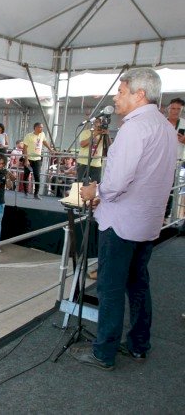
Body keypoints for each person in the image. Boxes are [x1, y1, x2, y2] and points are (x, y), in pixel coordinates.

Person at [74, 68, 178, 371]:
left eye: (121, 91)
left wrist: (96, 189)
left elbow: (117, 183)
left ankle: (103, 352)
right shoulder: (164, 127)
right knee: (138, 284)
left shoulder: (134, 128)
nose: (116, 98)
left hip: (121, 223)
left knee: (110, 288)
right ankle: (138, 344)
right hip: (146, 223)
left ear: (139, 94)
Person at [22, 122, 56, 199]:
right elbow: (25, 148)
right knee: (26, 176)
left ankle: (36, 194)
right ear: (35, 128)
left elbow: (44, 141)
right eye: (40, 127)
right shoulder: (28, 136)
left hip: (37, 159)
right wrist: (26, 160)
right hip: (29, 159)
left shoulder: (42, 134)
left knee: (37, 176)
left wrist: (50, 149)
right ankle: (25, 192)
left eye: (42, 127)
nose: (41, 129)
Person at [76, 118, 109, 183]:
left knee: (95, 185)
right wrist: (94, 135)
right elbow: (82, 144)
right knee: (80, 184)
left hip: (97, 164)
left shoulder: (103, 135)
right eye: (96, 122)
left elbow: (109, 148)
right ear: (93, 123)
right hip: (83, 162)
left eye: (100, 122)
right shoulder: (85, 132)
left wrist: (107, 135)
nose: (99, 124)